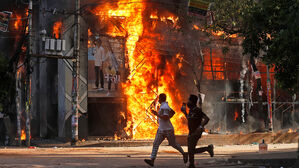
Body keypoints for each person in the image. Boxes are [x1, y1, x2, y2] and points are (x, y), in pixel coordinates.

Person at [144, 93, 188, 167]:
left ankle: (184, 154)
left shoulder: (164, 107)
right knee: (156, 143)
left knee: (173, 144)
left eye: (159, 99)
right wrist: (166, 118)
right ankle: (152, 160)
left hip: (168, 130)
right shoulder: (164, 106)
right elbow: (173, 112)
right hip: (161, 129)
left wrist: (156, 114)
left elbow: (165, 117)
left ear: (160, 99)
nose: (158, 100)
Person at [181, 94, 214, 168]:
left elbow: (206, 118)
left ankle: (191, 164)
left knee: (190, 150)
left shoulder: (197, 110)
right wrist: (185, 113)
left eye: (188, 100)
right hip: (191, 132)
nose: (187, 102)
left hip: (196, 132)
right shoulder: (191, 111)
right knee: (191, 150)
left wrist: (200, 126)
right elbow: (189, 119)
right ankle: (207, 149)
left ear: (192, 102)